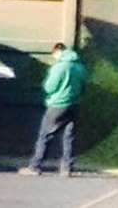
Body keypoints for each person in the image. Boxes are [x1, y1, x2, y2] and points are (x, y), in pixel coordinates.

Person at [19, 42, 88, 177]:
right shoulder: (80, 67)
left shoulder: (59, 68)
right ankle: (66, 168)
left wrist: (48, 94)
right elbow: (83, 86)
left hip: (57, 105)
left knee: (45, 135)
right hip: (74, 105)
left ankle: (35, 166)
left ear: (57, 51)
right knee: (69, 138)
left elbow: (49, 87)